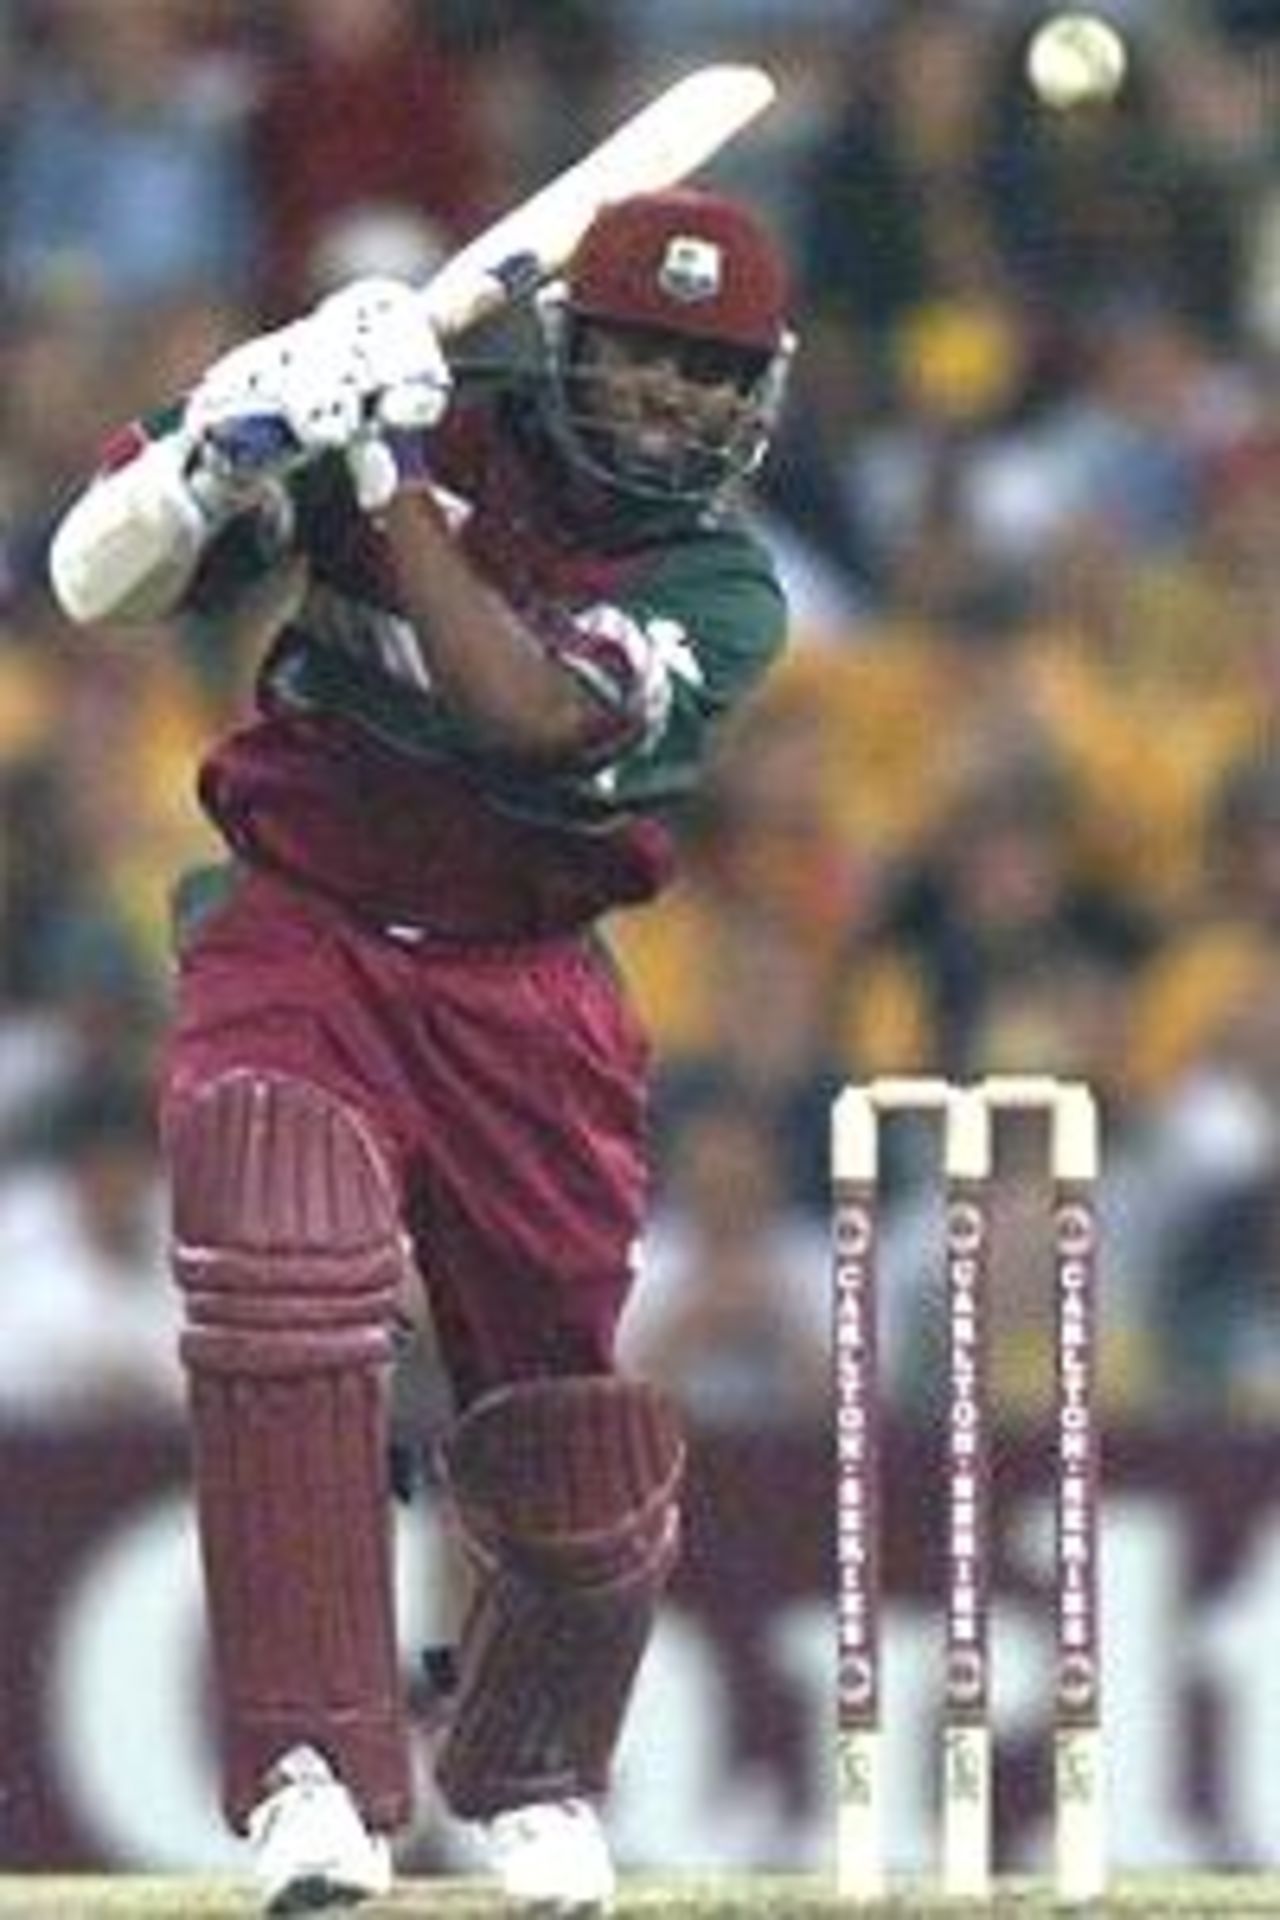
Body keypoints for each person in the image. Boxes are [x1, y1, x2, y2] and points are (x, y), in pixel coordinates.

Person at [49, 185, 795, 1914]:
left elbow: (525, 712)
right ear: (562, 351)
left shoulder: (720, 584)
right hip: (303, 926)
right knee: (281, 1264)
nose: (674, 404)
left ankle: (531, 1772)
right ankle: (311, 1778)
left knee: (565, 1426)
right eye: (643, 360)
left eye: (710, 375)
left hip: (526, 993)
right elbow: (94, 581)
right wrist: (233, 439)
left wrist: (376, 477)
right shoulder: (402, 399)